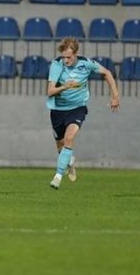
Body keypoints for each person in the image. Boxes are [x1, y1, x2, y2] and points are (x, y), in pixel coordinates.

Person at [46, 37, 119, 189]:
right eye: (64, 57)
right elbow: (50, 91)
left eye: (69, 57)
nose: (66, 60)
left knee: (69, 138)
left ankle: (57, 176)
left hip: (77, 108)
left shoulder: (86, 64)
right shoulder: (57, 64)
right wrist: (65, 87)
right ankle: (69, 162)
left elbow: (107, 73)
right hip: (58, 110)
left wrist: (115, 96)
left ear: (76, 54)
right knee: (61, 146)